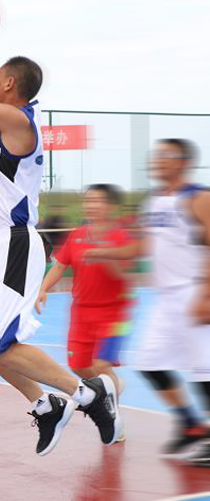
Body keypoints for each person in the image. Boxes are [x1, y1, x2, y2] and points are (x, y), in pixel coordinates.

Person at [0, 8, 121, 456]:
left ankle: (88, 394)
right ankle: (46, 406)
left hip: (15, 242)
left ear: (9, 85)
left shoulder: (18, 123)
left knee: (5, 344)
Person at [85, 139, 210, 465]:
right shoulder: (153, 200)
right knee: (149, 363)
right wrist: (105, 251)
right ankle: (191, 424)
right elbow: (143, 247)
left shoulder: (199, 198)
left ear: (184, 161)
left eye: (167, 155)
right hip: (165, 299)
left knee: (205, 370)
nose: (158, 160)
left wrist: (206, 294)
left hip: (195, 292)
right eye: (157, 154)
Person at [36, 184, 132, 441]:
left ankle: (113, 418)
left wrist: (105, 255)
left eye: (97, 201)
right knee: (78, 364)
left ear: (110, 206)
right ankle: (110, 386)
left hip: (114, 314)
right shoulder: (77, 235)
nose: (91, 205)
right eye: (88, 201)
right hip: (81, 313)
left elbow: (123, 275)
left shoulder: (120, 237)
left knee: (101, 364)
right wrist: (43, 288)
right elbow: (60, 266)